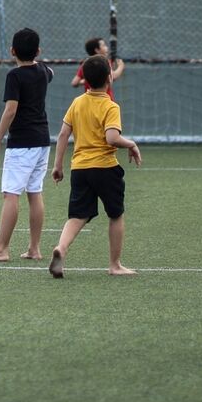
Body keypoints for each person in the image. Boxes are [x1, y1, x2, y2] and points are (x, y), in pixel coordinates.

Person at [49, 54, 142, 279]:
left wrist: (58, 165)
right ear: (110, 77)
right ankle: (115, 265)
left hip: (80, 169)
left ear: (85, 81)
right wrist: (130, 143)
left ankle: (61, 247)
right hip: (105, 168)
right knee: (116, 214)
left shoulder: (77, 103)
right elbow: (111, 138)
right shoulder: (110, 106)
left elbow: (63, 134)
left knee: (77, 215)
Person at [0, 28, 54, 262]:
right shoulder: (43, 71)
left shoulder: (15, 76)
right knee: (35, 192)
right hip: (42, 140)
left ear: (12, 51)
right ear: (38, 51)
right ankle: (34, 248)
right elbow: (50, 71)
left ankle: (1, 249)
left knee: (11, 194)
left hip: (22, 143)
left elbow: (10, 110)